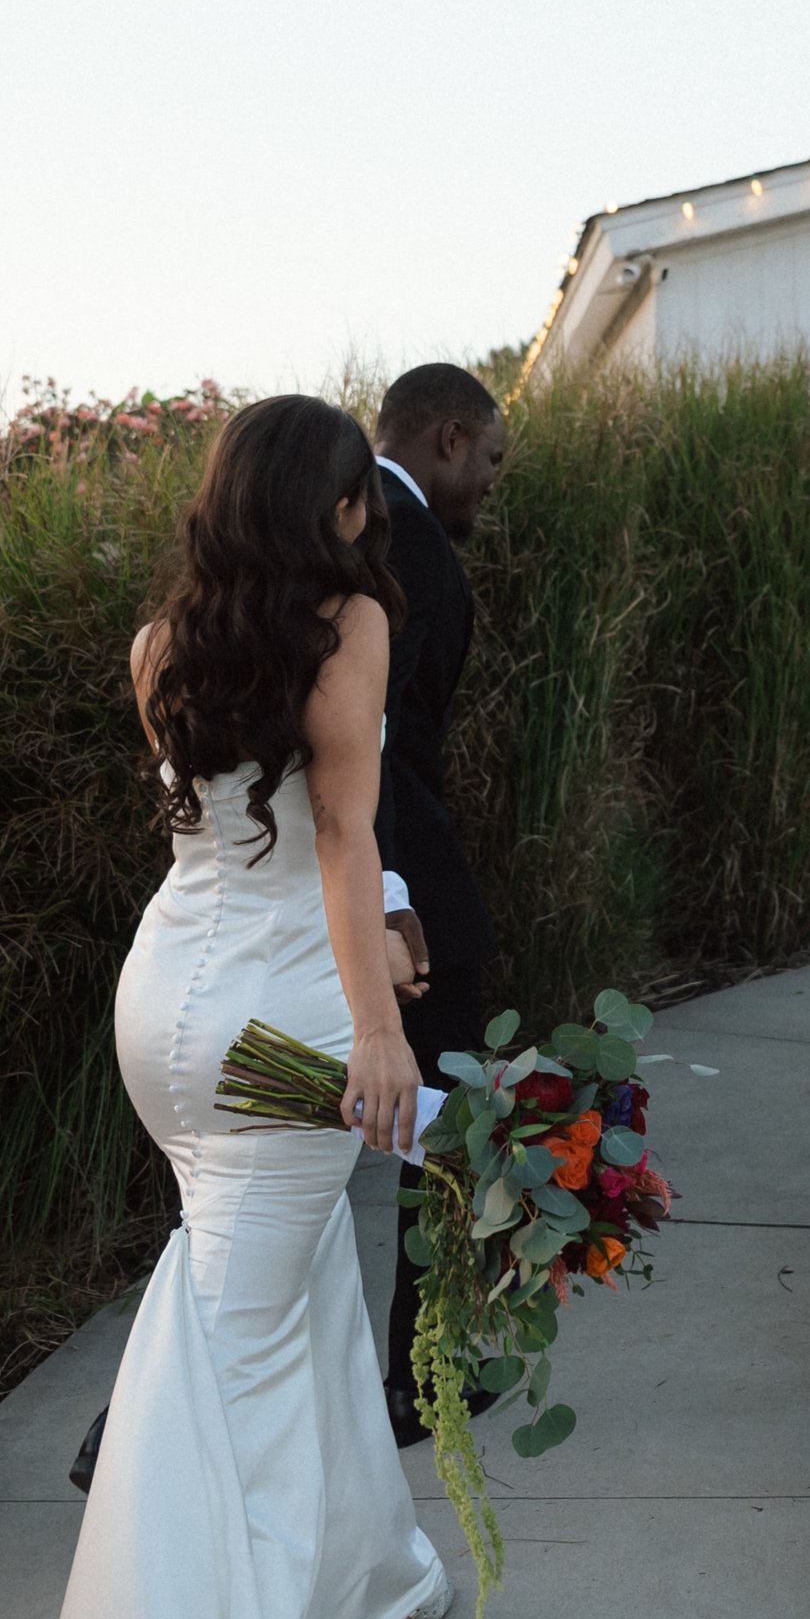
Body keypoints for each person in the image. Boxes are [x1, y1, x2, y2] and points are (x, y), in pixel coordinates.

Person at [0, 398, 452, 1619]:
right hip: (283, 1030)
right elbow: (340, 834)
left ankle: (361, 1572)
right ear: (330, 506)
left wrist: (371, 948)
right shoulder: (349, 623)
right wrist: (380, 1027)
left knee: (294, 1281)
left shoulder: (159, 643)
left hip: (165, 1010)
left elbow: (241, 836)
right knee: (223, 1343)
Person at [371, 362, 509, 1443]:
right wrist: (388, 899)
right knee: (452, 1114)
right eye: (491, 461)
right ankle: (430, 1371)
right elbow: (369, 744)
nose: (489, 487)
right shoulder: (408, 548)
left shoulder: (318, 527)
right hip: (393, 880)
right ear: (450, 436)